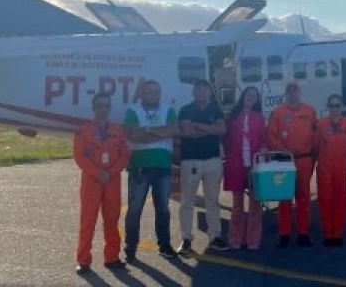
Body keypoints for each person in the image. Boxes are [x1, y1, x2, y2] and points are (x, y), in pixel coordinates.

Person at [73, 93, 130, 275]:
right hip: (92, 181)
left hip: (112, 181)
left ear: (110, 108)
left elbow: (125, 155)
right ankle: (83, 260)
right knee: (87, 221)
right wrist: (97, 172)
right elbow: (79, 156)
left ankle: (112, 257)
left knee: (112, 221)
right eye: (99, 106)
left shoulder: (118, 130)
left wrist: (111, 172)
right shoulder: (83, 130)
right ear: (94, 108)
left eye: (106, 105)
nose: (103, 109)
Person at [123, 79, 179, 261]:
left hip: (162, 166)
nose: (152, 95)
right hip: (139, 166)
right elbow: (133, 135)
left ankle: (164, 245)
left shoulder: (168, 110)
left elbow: (172, 130)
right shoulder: (133, 110)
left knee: (163, 208)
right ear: (142, 93)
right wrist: (159, 133)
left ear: (160, 94)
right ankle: (130, 247)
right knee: (135, 208)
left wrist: (146, 131)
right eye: (149, 92)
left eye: (156, 92)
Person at [177, 79, 230, 255]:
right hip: (190, 160)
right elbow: (187, 133)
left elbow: (222, 130)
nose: (201, 93)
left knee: (212, 201)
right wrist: (210, 128)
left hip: (213, 160)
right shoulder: (185, 110)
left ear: (209, 92)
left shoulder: (216, 109)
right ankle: (185, 239)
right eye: (198, 90)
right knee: (187, 202)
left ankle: (214, 237)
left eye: (204, 90)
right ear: (193, 93)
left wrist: (198, 125)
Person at [266, 79, 318, 248]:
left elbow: (316, 134)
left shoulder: (310, 111)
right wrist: (282, 150)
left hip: (304, 160)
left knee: (303, 198)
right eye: (290, 90)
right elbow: (271, 136)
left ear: (299, 92)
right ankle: (284, 235)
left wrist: (314, 157)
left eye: (295, 90)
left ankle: (303, 234)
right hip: (284, 162)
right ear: (286, 93)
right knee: (285, 198)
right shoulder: (277, 112)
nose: (292, 92)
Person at [222, 86, 267, 250]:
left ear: (257, 99)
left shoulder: (260, 118)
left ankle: (253, 239)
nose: (251, 97)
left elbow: (263, 139)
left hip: (254, 165)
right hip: (236, 165)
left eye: (254, 96)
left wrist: (263, 149)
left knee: (255, 204)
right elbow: (225, 139)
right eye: (249, 94)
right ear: (243, 96)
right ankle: (235, 239)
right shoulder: (232, 117)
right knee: (237, 205)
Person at [316, 93, 346, 247]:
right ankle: (327, 233)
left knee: (341, 201)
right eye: (332, 106)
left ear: (342, 107)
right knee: (325, 201)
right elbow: (315, 145)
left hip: (341, 168)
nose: (335, 109)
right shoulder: (321, 124)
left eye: (337, 106)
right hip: (325, 169)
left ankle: (337, 233)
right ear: (328, 107)